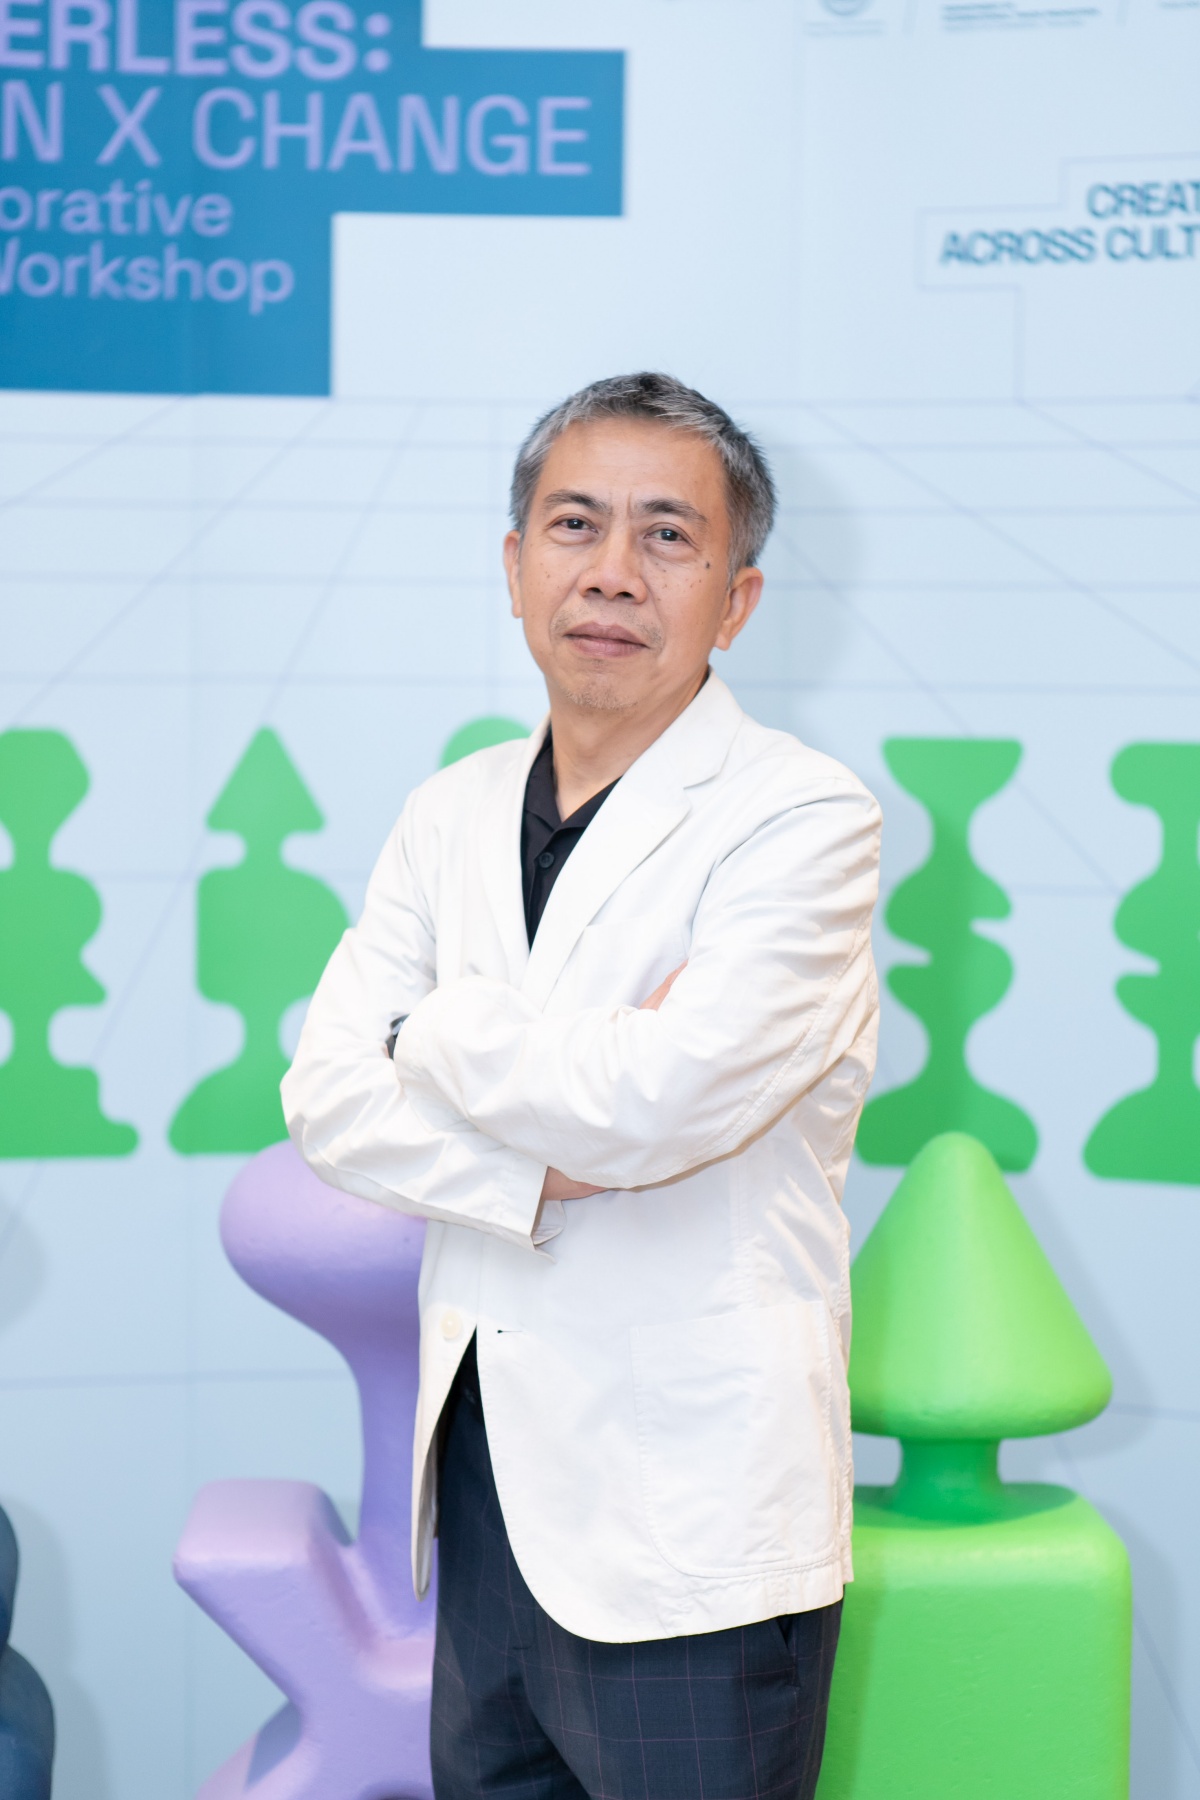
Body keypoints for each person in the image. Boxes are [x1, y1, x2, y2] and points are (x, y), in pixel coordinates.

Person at [282, 371, 882, 1800]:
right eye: (575, 525)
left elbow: (653, 1105)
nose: (613, 572)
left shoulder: (802, 818)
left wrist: (430, 1028)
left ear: (735, 600)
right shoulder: (450, 811)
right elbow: (328, 1099)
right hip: (489, 1503)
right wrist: (542, 1158)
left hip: (689, 1531)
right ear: (515, 568)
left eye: (668, 536)